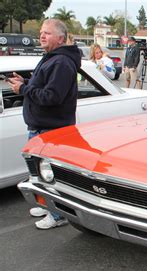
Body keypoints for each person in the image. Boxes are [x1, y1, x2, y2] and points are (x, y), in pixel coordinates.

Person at [7, 19, 81, 230]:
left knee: (51, 177)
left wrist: (23, 89)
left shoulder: (61, 62)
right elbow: (44, 88)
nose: (41, 36)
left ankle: (58, 215)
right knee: (39, 175)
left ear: (60, 38)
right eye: (41, 32)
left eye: (47, 33)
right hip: (41, 128)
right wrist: (27, 82)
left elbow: (52, 97)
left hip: (51, 130)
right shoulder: (52, 58)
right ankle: (46, 204)